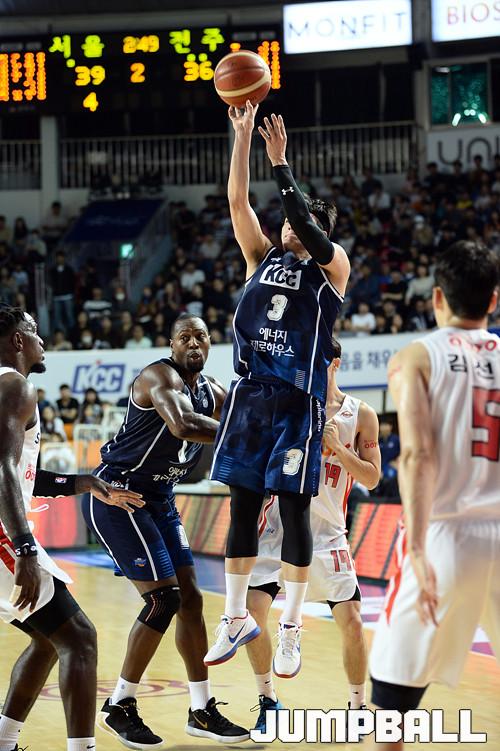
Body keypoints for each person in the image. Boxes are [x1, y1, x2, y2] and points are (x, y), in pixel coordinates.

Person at [206, 103, 351, 677]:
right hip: (250, 398)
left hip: (297, 402)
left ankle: (290, 626)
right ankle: (234, 616)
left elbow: (305, 223)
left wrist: (281, 163)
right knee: (241, 507)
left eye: (301, 221)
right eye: (288, 220)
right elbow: (237, 201)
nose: (289, 225)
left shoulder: (333, 267)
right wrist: (242, 138)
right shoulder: (259, 258)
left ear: (320, 231)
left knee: (293, 513)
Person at [82, 313, 249, 749]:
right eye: (184, 337)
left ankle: (201, 709)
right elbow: (183, 425)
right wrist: (248, 433)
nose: (193, 343)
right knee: (164, 599)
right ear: (172, 344)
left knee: (191, 599)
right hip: (119, 495)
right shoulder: (159, 376)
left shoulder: (214, 391)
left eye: (201, 337)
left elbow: (247, 415)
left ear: (210, 344)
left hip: (160, 499)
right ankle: (119, 705)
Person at [368, 241, 500, 751]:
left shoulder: (416, 357)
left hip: (447, 535)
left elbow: (418, 455)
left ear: (437, 297)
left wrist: (418, 550)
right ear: (493, 300)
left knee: (390, 707)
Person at [0, 305, 143, 751]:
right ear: (18, 340)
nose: (42, 339)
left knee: (49, 639)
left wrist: (81, 483)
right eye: (33, 331)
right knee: (80, 639)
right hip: (4, 535)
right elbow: (2, 469)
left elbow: (22, 473)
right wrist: (24, 549)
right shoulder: (14, 385)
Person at [246, 337, 381, 729]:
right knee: (252, 615)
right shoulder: (287, 407)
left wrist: (338, 447)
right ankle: (268, 700)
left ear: (334, 363)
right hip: (277, 529)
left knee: (352, 622)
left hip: (327, 534)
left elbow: (372, 478)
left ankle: (358, 707)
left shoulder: (361, 414)